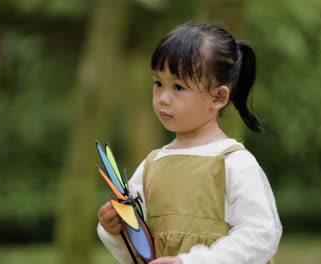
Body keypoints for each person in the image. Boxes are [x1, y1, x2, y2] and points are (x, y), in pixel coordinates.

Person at [96, 22, 282, 264]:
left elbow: (261, 236)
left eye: (178, 87)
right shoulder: (153, 165)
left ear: (218, 97)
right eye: (158, 83)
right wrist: (115, 230)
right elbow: (141, 249)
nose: (163, 98)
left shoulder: (234, 162)